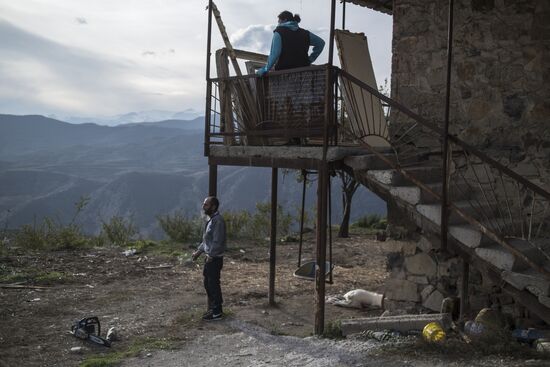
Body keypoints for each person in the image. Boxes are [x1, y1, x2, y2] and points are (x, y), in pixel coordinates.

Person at [256, 10, 325, 76]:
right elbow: (321, 43)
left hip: (284, 72)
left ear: (285, 20)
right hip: (304, 72)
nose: (278, 23)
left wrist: (265, 69)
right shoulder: (305, 33)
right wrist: (310, 59)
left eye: (279, 21)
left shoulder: (279, 32)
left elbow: (275, 54)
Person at [192, 196, 227, 321]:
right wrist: (198, 252)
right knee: (208, 283)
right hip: (209, 258)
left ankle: (217, 312)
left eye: (206, 204)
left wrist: (211, 255)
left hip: (214, 259)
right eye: (203, 204)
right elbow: (207, 240)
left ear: (213, 207)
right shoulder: (211, 220)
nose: (203, 206)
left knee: (213, 284)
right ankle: (215, 309)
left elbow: (217, 241)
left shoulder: (218, 221)